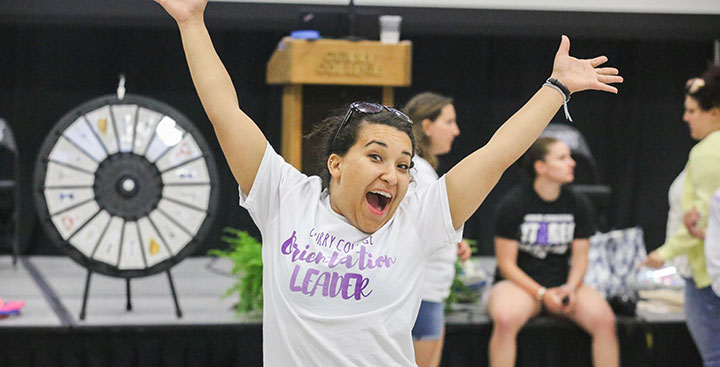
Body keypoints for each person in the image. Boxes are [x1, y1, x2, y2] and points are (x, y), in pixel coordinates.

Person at [155, 0, 622, 364]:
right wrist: (191, 21)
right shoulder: (285, 198)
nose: (392, 174)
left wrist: (556, 88)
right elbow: (224, 113)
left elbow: (496, 155)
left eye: (403, 164)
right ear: (336, 164)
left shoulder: (419, 218)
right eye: (375, 156)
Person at [487, 137, 619, 367]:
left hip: (562, 282)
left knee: (605, 320)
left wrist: (570, 287)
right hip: (520, 285)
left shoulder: (579, 203)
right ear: (541, 167)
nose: (572, 163)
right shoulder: (513, 205)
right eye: (562, 158)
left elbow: (580, 258)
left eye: (569, 157)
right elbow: (506, 265)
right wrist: (540, 293)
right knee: (505, 319)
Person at [644, 65, 720, 367]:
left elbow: (701, 219)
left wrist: (665, 253)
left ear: (715, 112)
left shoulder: (708, 152)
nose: (686, 117)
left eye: (692, 110)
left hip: (707, 274)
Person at [403, 92, 471, 367]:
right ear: (427, 126)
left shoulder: (423, 170)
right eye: (449, 122)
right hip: (422, 294)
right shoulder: (415, 171)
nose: (456, 131)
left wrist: (452, 242)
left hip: (429, 293)